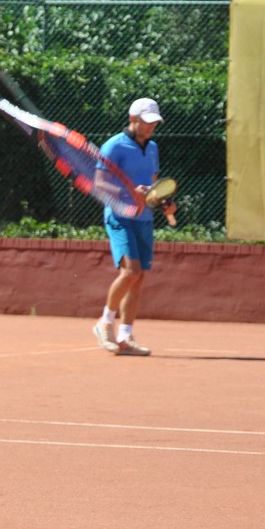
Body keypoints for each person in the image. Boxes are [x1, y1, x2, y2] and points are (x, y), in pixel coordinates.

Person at [91, 97, 176, 356]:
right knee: (131, 271)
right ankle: (105, 323)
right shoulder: (114, 145)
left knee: (139, 277)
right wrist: (129, 191)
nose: (151, 127)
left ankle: (125, 337)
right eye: (147, 122)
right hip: (119, 216)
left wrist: (164, 204)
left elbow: (152, 186)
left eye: (154, 123)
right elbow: (99, 183)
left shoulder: (153, 148)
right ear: (133, 119)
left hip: (144, 219)